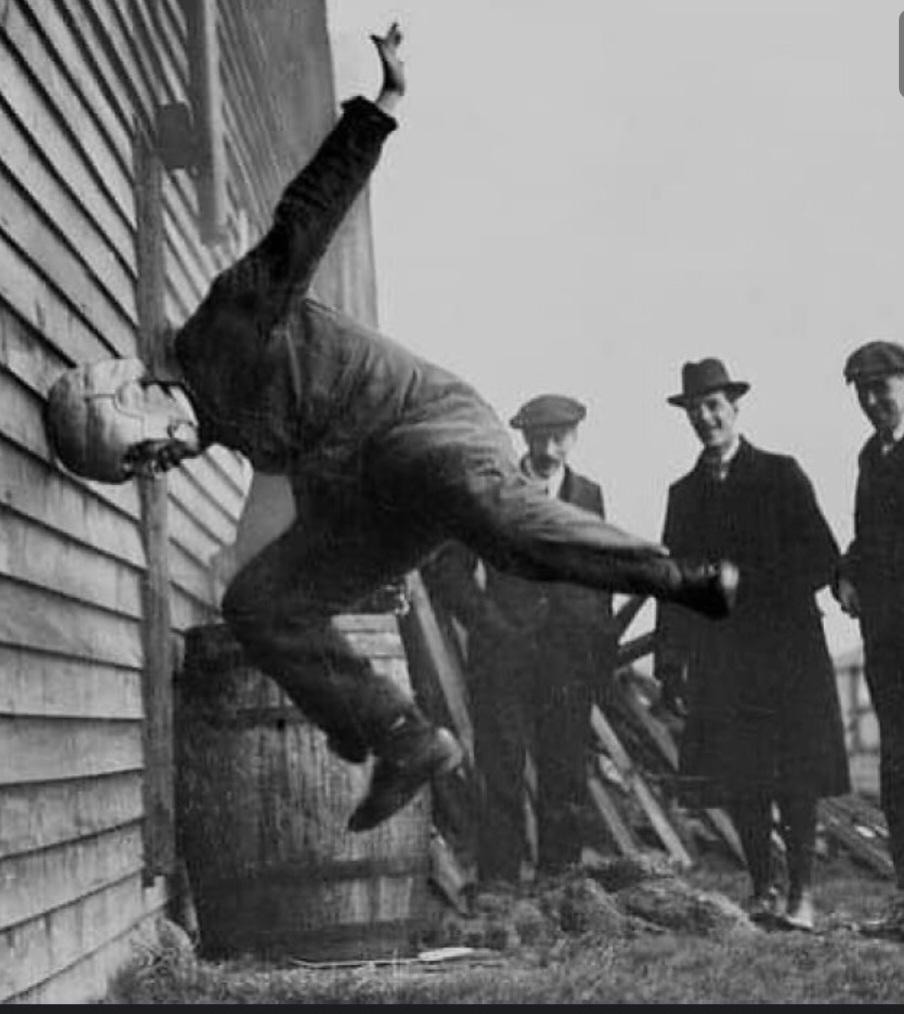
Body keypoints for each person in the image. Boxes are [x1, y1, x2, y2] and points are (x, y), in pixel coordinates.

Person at [44, 25, 738, 836]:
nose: (159, 462)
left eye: (144, 449)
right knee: (258, 602)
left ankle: (677, 577)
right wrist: (338, 698)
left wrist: (384, 104)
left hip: (427, 425)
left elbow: (308, 213)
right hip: (368, 490)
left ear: (139, 396)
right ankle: (405, 738)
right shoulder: (216, 416)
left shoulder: (224, 324)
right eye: (145, 471)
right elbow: (288, 487)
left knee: (492, 525)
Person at [654, 358, 849, 931]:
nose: (705, 418)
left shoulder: (780, 474)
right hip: (721, 655)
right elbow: (673, 584)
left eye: (714, 406)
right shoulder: (683, 493)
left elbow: (821, 558)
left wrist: (747, 580)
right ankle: (762, 889)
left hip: (786, 648)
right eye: (694, 410)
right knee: (741, 775)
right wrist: (670, 664)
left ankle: (802, 897)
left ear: (736, 408)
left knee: (794, 774)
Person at [424, 394, 618, 881]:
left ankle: (562, 887)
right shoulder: (492, 492)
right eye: (539, 438)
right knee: (503, 771)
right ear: (523, 439)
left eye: (560, 437)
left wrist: (594, 636)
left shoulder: (588, 494)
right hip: (504, 655)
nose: (550, 449)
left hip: (568, 658)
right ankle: (500, 890)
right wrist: (489, 623)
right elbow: (448, 569)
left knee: (565, 770)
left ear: (575, 437)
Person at [834, 340, 904, 940]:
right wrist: (847, 573)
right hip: (885, 637)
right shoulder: (870, 457)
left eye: (883, 387)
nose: (873, 400)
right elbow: (869, 538)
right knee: (898, 766)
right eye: (863, 391)